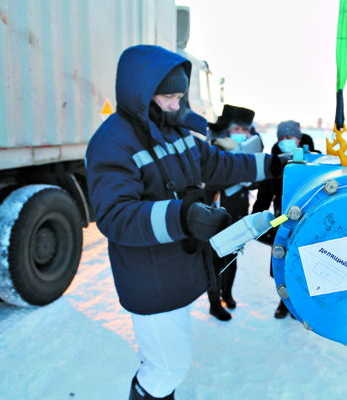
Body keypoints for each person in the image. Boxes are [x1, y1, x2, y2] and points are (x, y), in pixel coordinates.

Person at [85, 45, 281, 400]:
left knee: (166, 365)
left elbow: (221, 164)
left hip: (174, 269)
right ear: (141, 94)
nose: (177, 105)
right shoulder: (112, 143)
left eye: (180, 96)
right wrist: (182, 216)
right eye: (168, 97)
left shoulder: (175, 133)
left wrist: (271, 166)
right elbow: (115, 216)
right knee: (167, 367)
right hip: (150, 277)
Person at [252, 120, 320, 319]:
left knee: (306, 262)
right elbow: (263, 197)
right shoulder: (274, 162)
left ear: (298, 139)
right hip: (282, 220)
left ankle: (301, 303)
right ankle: (284, 302)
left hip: (309, 220)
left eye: (289, 137)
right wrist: (258, 221)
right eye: (281, 138)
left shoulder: (314, 160)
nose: (285, 141)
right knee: (281, 262)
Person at [204, 105, 261, 321]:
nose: (240, 133)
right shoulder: (214, 150)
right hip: (215, 215)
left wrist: (249, 177)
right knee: (215, 260)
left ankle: (227, 294)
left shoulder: (247, 150)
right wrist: (236, 177)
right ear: (227, 129)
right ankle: (214, 302)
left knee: (232, 258)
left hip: (238, 214)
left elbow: (256, 181)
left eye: (243, 129)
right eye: (236, 128)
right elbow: (209, 182)